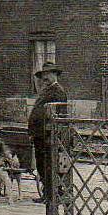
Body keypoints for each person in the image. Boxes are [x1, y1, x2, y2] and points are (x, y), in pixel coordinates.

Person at [27, 61, 67, 205]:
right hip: (40, 134)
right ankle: (48, 194)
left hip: (49, 135)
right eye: (43, 75)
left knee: (49, 165)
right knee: (42, 165)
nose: (45, 77)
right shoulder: (46, 90)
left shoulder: (58, 91)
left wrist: (54, 134)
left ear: (55, 74)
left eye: (48, 74)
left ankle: (53, 195)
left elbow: (61, 115)